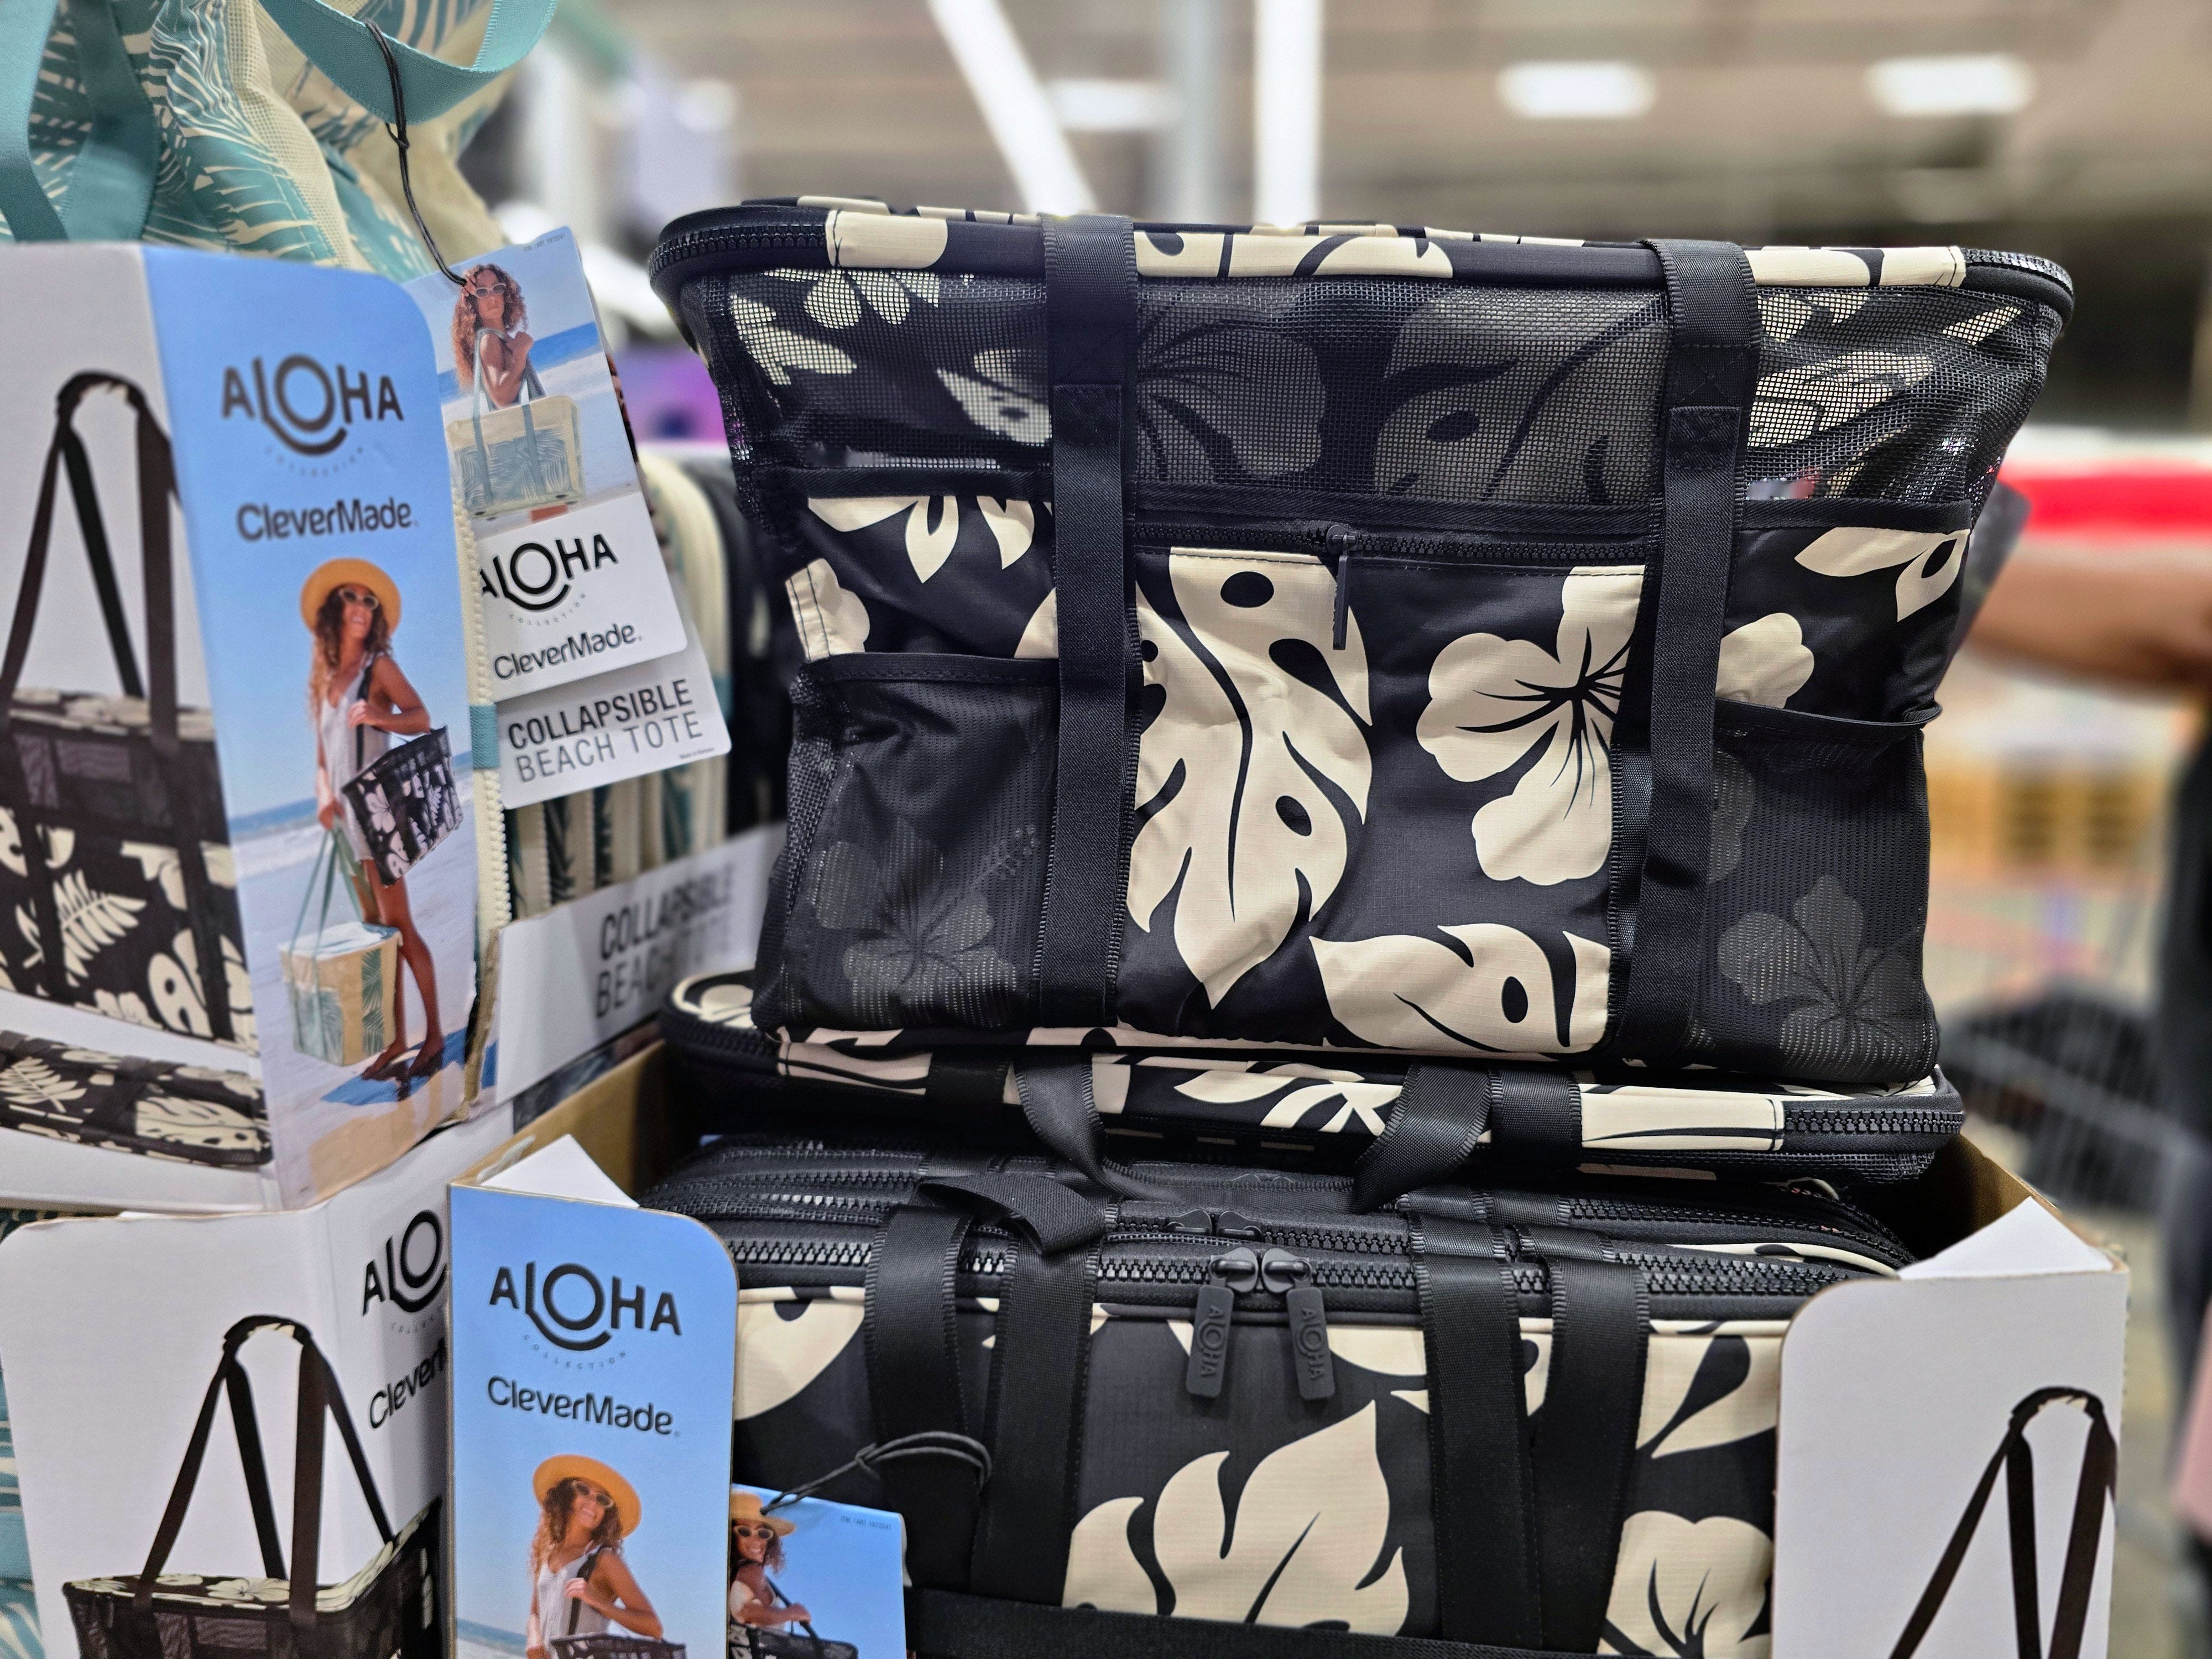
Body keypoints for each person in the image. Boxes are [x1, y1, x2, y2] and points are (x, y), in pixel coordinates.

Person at [302, 559, 442, 1081]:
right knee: (375, 934)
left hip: (378, 817)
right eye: (352, 598)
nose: (361, 608)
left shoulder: (377, 668)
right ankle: (395, 1040)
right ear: (333, 611)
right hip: (346, 827)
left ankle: (432, 1037)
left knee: (401, 927)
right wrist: (322, 797)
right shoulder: (323, 683)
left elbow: (421, 719)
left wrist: (380, 716)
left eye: (370, 601)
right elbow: (322, 757)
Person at [526, 1456, 662, 1659]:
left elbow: (653, 1628)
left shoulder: (604, 1560)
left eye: (602, 1500)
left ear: (608, 1512)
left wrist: (603, 1604)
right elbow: (535, 1612)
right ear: (567, 1494)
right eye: (584, 1490)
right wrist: (534, 1638)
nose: (592, 1503)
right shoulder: (548, 1552)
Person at [727, 1491, 812, 1635]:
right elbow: (747, 1612)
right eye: (744, 1532)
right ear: (731, 1535)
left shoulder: (725, 1575)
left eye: (763, 1534)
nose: (756, 1541)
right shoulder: (751, 1570)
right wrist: (791, 1613)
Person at [453, 263, 534, 410]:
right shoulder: (489, 339)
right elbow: (501, 398)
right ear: (473, 302)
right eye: (482, 292)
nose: (492, 298)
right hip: (517, 430)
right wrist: (520, 353)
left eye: (497, 289)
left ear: (505, 295)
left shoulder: (503, 339)